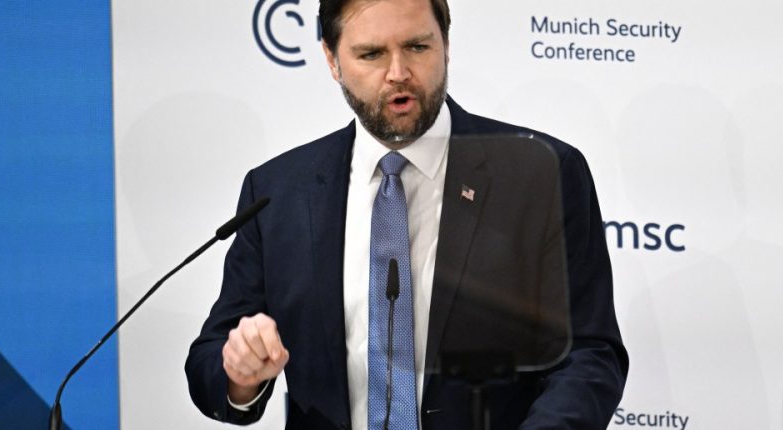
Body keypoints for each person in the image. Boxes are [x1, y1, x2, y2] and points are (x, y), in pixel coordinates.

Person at [185, 0, 628, 428]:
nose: (398, 74)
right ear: (332, 60)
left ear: (446, 45)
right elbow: (211, 360)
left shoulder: (540, 174)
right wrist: (239, 376)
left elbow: (589, 355)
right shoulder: (278, 193)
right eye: (371, 54)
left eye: (417, 47)